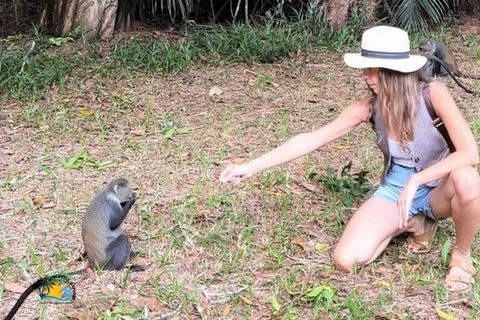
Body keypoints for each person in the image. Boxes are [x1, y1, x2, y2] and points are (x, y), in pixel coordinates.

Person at [219, 25, 480, 292]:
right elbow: (312, 138)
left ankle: (461, 256)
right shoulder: (368, 108)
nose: (364, 76)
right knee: (347, 260)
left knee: (468, 179)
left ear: (393, 71)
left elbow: (470, 153)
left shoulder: (433, 95)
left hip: (439, 186)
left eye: (371, 69)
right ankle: (415, 222)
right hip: (395, 189)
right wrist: (250, 166)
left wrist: (418, 180)